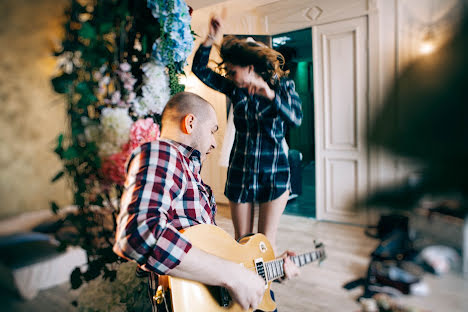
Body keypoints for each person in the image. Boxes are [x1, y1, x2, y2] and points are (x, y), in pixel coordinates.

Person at [113, 92, 299, 311]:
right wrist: (233, 275)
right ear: (190, 122)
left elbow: (219, 257)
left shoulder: (189, 174)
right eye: (212, 131)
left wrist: (269, 270)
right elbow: (140, 233)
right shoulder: (163, 152)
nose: (213, 144)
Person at [192, 16, 303, 253]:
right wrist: (210, 38)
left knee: (265, 244)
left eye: (233, 72)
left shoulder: (283, 87)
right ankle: (245, 290)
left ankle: (264, 291)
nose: (230, 76)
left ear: (250, 68)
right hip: (241, 171)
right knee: (242, 244)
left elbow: (295, 118)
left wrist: (269, 96)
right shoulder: (235, 89)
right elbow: (199, 69)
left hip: (274, 173)